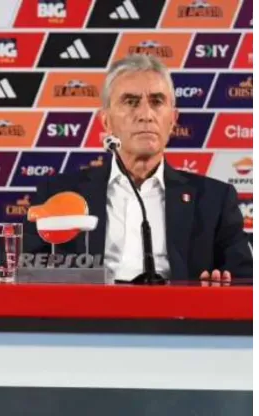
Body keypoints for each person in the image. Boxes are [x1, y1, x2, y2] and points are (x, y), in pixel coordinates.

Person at [23, 55, 252, 282]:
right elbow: (25, 273)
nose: (145, 115)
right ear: (107, 122)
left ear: (172, 119)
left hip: (177, 316)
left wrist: (219, 286)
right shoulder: (58, 193)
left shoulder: (214, 200)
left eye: (157, 102)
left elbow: (244, 280)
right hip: (90, 314)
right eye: (130, 102)